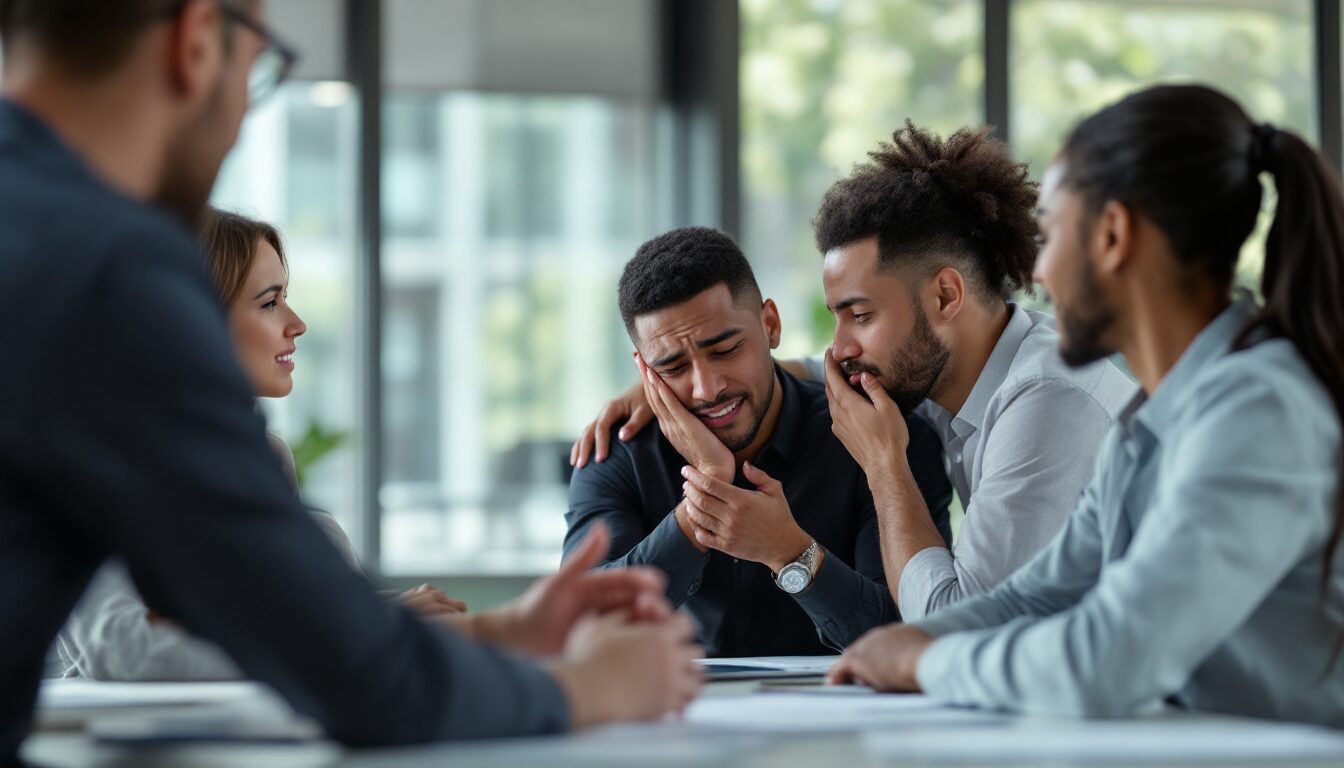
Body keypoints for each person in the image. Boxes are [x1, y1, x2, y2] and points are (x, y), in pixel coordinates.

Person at [0, 1, 700, 761]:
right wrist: (591, 688)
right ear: (196, 41)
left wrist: (497, 631)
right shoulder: (106, 270)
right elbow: (359, 678)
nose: (240, 117)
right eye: (257, 71)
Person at [829, 84, 1344, 727]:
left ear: (1113, 234)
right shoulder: (1152, 420)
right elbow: (1042, 593)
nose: (1037, 274)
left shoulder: (1259, 409)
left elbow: (1110, 654)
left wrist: (925, 664)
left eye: (1050, 233)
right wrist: (917, 640)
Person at [573, 123, 1135, 621]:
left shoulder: (1045, 402)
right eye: (672, 364)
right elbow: (826, 369)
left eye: (860, 316)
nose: (840, 349)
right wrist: (678, 388)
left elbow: (956, 630)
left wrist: (884, 463)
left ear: (945, 295)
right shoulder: (944, 380)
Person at [53, 209, 467, 680]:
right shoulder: (93, 454)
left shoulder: (262, 458)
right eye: (270, 303)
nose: (298, 324)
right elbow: (129, 652)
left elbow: (277, 619)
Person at [565, 226, 952, 655]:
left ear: (770, 324)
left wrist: (789, 552)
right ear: (644, 370)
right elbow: (578, 626)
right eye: (673, 368)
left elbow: (905, 636)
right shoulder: (618, 451)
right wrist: (702, 506)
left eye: (726, 349)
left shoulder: (884, 438)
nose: (706, 389)